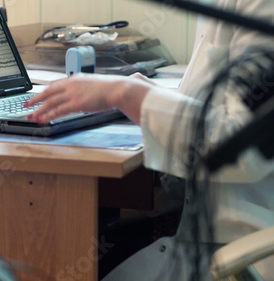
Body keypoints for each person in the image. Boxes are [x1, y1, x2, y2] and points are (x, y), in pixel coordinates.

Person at [26, 0, 274, 280]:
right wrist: (145, 91)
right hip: (201, 220)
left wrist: (128, 94)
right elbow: (221, 105)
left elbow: (243, 149)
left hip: (238, 245)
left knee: (59, 260)